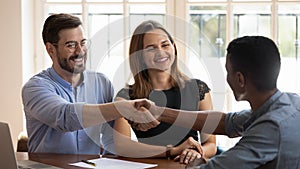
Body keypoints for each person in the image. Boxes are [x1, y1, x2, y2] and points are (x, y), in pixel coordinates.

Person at [136, 36, 300, 168]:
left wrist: (195, 161)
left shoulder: (271, 127)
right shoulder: (288, 102)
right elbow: (224, 122)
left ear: (240, 79)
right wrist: (160, 112)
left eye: (228, 72)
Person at [21, 13, 159, 155]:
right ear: (51, 49)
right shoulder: (35, 88)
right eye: (71, 45)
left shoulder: (102, 83)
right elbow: (65, 118)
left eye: (82, 43)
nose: (80, 51)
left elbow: (110, 140)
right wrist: (121, 108)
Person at [112, 20, 217, 164]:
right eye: (151, 48)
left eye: (165, 45)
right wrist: (172, 150)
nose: (160, 52)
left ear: (173, 47)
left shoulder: (198, 89)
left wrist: (195, 151)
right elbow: (122, 147)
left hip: (188, 165)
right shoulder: (127, 96)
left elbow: (211, 144)